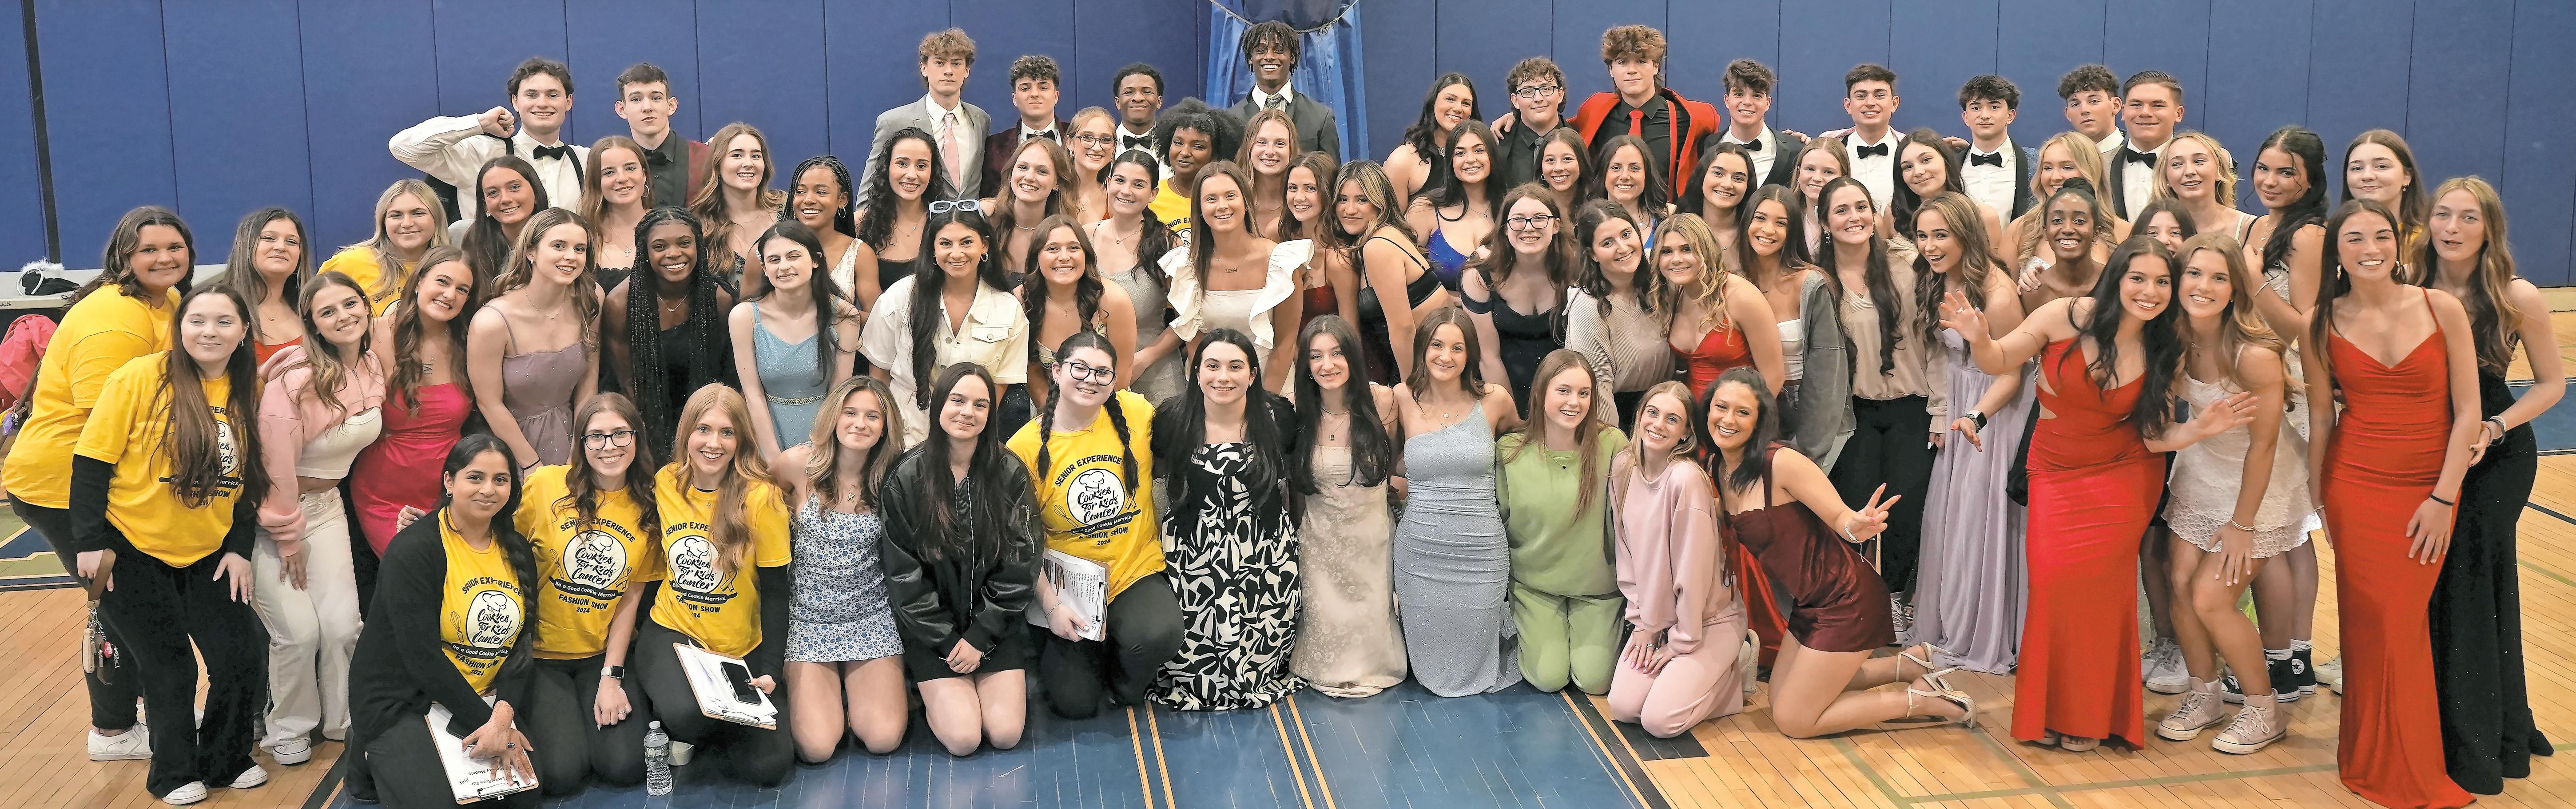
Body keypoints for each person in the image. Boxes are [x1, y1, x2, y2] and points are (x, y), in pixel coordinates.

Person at [1942, 236, 2237, 753]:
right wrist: (1979, 337)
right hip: (2054, 471)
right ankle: (2050, 710)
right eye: (2138, 279)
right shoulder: (2064, 315)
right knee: (2052, 584)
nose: (2149, 292)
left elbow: (2154, 437)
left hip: (2124, 475)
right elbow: (1998, 360)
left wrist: (2198, 430)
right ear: (2117, 277)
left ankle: (2092, 716)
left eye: (2162, 282)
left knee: (2101, 594)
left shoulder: (2165, 344)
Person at [2305, 199, 2479, 809]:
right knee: (2368, 621)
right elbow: (2322, 416)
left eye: (2381, 235)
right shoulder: (2318, 321)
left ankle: (2402, 764)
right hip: (2354, 485)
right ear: (2337, 252)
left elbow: (2468, 412)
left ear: (2399, 243)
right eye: (2354, 238)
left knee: (2398, 622)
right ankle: (2367, 757)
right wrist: (2317, 495)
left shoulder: (2441, 307)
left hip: (2428, 485)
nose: (2370, 248)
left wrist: (2442, 496)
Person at [69, 285, 273, 805]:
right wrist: (89, 542)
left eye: (224, 322)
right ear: (179, 328)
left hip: (208, 552)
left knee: (240, 653)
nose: (209, 331)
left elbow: (250, 480)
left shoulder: (247, 388)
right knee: (170, 666)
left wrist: (239, 548)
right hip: (130, 549)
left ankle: (226, 758)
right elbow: (91, 462)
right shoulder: (139, 377)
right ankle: (173, 774)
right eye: (196, 320)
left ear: (244, 332)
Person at [2, 207, 191, 763]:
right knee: (122, 607)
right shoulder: (114, 319)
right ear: (123, 257)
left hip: (110, 481)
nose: (164, 258)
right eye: (149, 249)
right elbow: (106, 428)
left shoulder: (165, 299)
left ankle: (153, 712)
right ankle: (113, 731)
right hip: (66, 485)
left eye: (174, 247)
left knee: (128, 604)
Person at [1696, 370, 1973, 738]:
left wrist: (1857, 525)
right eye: (1721, 407)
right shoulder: (1717, 468)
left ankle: (1924, 700)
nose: (1728, 419)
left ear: (1760, 420)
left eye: (1743, 412)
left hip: (1847, 601)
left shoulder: (1781, 462)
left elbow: (1841, 518)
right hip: (1811, 603)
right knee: (1780, 698)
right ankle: (1909, 665)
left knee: (1795, 720)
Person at [2417, 177, 2561, 793]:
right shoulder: (2410, 284)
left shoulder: (2515, 294)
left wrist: (2497, 425)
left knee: (2475, 579)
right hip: (2429, 444)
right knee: (2434, 580)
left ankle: (2482, 734)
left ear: (2489, 228)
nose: (2451, 228)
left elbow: (2551, 385)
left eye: (2467, 218)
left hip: (2495, 452)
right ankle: (2447, 718)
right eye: (2442, 215)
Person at [2146, 233, 2304, 756]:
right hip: (2202, 470)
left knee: (2211, 597)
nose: (2203, 286)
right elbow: (2160, 429)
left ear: (2236, 289)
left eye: (2219, 277)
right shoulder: (2172, 340)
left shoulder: (2253, 355)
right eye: (2194, 274)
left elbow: (2264, 447)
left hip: (2258, 486)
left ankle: (2264, 707)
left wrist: (2241, 525)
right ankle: (2205, 694)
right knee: (2179, 582)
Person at [345, 435, 537, 808]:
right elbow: (421, 659)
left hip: (482, 694)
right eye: (475, 477)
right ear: (449, 481)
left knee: (523, 798)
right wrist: (491, 725)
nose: (488, 489)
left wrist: (503, 715)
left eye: (500, 480)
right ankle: (366, 748)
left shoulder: (517, 550)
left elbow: (521, 646)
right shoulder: (414, 549)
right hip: (407, 697)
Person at [250, 271, 386, 769]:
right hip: (271, 519)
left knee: (343, 626)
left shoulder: (371, 364)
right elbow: (273, 467)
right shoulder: (296, 381)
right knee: (298, 632)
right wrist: (287, 537)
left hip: (328, 509)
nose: (343, 316)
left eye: (351, 304)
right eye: (328, 312)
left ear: (367, 307)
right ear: (313, 324)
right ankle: (288, 728)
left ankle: (342, 720)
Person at [629, 385, 797, 785]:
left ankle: (711, 726)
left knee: (769, 769)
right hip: (675, 633)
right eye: (703, 429)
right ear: (687, 433)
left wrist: (772, 669)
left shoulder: (763, 499)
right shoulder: (667, 482)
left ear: (741, 440)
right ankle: (682, 716)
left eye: (727, 433)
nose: (714, 443)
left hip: (741, 647)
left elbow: (777, 592)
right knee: (686, 715)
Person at [1010, 334, 1181, 718]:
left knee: (1158, 634)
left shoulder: (1136, 413)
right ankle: (1081, 652)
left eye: (1103, 373)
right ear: (1056, 371)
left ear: (1114, 379)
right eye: (1080, 369)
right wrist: (1052, 607)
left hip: (1133, 571)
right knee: (1076, 705)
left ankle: (1125, 681)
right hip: (1068, 586)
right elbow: (1020, 542)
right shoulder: (1024, 447)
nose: (1091, 379)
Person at [880, 364, 1038, 756]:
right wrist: (949, 641)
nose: (968, 412)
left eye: (980, 405)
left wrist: (981, 637)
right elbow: (904, 577)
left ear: (990, 414)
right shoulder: (906, 477)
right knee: (964, 739)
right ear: (939, 405)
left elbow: (1021, 564)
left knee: (1005, 734)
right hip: (933, 633)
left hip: (994, 628)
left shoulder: (1010, 472)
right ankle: (930, 693)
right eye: (958, 401)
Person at [1906, 193, 2032, 675]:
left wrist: (1975, 418)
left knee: (1983, 519)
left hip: (1994, 411)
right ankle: (1951, 622)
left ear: (1966, 236)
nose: (1930, 246)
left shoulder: (1997, 294)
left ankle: (1986, 631)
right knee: (1955, 518)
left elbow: (2012, 373)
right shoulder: (1936, 278)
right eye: (1923, 236)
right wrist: (1945, 413)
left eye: (1941, 235)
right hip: (1960, 401)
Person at [1149, 329, 1306, 709]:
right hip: (1193, 553)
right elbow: (1157, 475)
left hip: (1264, 553)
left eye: (1236, 367)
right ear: (1196, 372)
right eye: (1213, 366)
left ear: (1253, 375)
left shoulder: (1279, 417)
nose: (1224, 377)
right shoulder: (1172, 418)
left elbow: (1293, 478)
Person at [511, 394, 658, 794]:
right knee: (562, 776)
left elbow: (631, 599)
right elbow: (497, 546)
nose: (609, 446)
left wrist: (612, 677)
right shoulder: (546, 485)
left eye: (620, 434)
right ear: (581, 443)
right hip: (541, 656)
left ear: (637, 437)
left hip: (599, 654)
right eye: (596, 436)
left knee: (626, 766)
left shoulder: (647, 507)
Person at [1814, 176, 1941, 631]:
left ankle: (1894, 601)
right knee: (1855, 508)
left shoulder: (1908, 263)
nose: (1854, 217)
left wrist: (1942, 408)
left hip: (1913, 406)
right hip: (1855, 413)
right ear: (1825, 223)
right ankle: (1855, 604)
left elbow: (1937, 342)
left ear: (1874, 212)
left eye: (1861, 207)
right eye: (1841, 210)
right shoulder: (1816, 279)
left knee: (1905, 510)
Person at [1390, 308, 1523, 696]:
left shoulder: (1495, 400)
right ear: (1423, 349)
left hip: (1480, 552)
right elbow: (1384, 458)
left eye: (1457, 348)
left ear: (1470, 355)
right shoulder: (1401, 398)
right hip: (1421, 552)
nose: (1445, 356)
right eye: (1437, 345)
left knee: (1477, 648)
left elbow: (1527, 445)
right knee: (1429, 663)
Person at [1605, 380, 1749, 737]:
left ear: (1686, 433)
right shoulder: (1623, 467)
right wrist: (1645, 624)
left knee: (1660, 721)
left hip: (1706, 621)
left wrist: (1681, 641)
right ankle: (1689, 677)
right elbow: (1626, 554)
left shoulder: (1685, 480)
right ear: (1640, 416)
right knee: (1624, 707)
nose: (1658, 425)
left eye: (1672, 419)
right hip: (1658, 620)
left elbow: (1693, 574)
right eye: (1652, 413)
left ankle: (1733, 670)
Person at [778, 377, 910, 758]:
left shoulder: (893, 477)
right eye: (850, 413)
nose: (860, 423)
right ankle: (826, 700)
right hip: (808, 620)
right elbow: (760, 496)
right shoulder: (798, 464)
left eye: (873, 416)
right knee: (817, 748)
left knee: (883, 739)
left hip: (870, 616)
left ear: (885, 427)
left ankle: (857, 699)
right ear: (834, 417)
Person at [1285, 316, 1407, 697]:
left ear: (1353, 356)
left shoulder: (1383, 401)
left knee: (1373, 615)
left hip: (1371, 535)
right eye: (1316, 356)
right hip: (1320, 540)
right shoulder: (1296, 412)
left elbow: (1394, 463)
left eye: (1337, 353)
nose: (1327, 365)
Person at [1499, 351, 1627, 695]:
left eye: (1584, 393)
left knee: (1595, 681)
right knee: (1549, 678)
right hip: (1536, 587)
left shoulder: (1613, 444)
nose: (1575, 402)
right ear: (1541, 392)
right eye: (1564, 391)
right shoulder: (1510, 451)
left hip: (1598, 589)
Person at [861, 205, 1030, 447]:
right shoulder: (900, 297)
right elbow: (879, 375)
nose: (956, 253)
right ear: (932, 248)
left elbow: (997, 388)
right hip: (904, 435)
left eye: (967, 243)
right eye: (946, 244)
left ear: (985, 246)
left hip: (969, 438)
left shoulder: (1008, 308)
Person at [351, 248, 478, 560]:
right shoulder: (374, 333)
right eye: (443, 282)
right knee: (412, 571)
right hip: (384, 494)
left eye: (462, 289)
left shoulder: (468, 342)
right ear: (419, 281)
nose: (450, 295)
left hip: (450, 494)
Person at [466, 208, 600, 469]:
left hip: (575, 438)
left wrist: (579, 449)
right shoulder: (491, 322)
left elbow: (589, 382)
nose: (571, 257)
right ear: (531, 252)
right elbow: (489, 404)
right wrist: (532, 466)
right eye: (559, 246)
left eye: (580, 249)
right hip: (513, 448)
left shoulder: (589, 302)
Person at [1733, 186, 1851, 469]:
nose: (1768, 230)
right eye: (1760, 218)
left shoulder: (1811, 284)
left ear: (1792, 231)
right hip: (1753, 411)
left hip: (1811, 412)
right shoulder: (1733, 284)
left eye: (1781, 223)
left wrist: (1806, 449)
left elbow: (1828, 370)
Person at [605, 207, 736, 461]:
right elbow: (627, 384)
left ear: (698, 247)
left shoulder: (719, 299)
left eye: (685, 243)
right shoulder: (621, 303)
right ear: (645, 252)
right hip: (645, 420)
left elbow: (724, 374)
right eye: (660, 247)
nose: (674, 253)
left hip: (704, 420)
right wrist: (649, 439)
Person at [390, 56, 588, 219]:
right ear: (516, 102)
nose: (543, 103)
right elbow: (402, 147)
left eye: (553, 95)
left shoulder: (586, 160)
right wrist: (480, 122)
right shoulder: (481, 153)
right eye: (532, 95)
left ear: (568, 102)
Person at [732, 222, 862, 462]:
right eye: (774, 260)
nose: (784, 266)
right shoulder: (744, 317)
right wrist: (775, 460)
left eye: (793, 256)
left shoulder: (845, 316)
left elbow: (838, 394)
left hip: (824, 438)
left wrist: (820, 451)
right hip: (764, 435)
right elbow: (752, 394)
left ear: (816, 260)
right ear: (765, 269)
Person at [1165, 161, 1301, 389]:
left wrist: (1267, 401)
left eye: (1230, 196)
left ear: (1246, 202)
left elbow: (1286, 343)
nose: (1222, 206)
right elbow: (1194, 343)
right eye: (1211, 199)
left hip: (1271, 387)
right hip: (1211, 389)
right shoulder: (1186, 268)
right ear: (1200, 210)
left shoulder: (1281, 262)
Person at [1564, 25, 1720, 189]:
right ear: (1611, 70)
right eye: (1623, 62)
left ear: (1656, 67)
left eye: (1641, 61)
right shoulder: (1593, 110)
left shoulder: (1692, 118)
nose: (1632, 70)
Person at [1336, 160, 1448, 384]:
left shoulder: (1378, 246)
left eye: (1362, 200)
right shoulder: (1387, 234)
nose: (1350, 210)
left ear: (1381, 203)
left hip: (1427, 369)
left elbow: (1404, 329)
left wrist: (1411, 391)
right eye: (1343, 199)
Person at [1462, 184, 1571, 412]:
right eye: (1518, 220)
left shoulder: (1576, 271)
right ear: (1505, 229)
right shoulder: (1480, 274)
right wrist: (1512, 421)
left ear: (1557, 225)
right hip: (1500, 387)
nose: (1529, 228)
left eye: (1539, 218)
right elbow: (1488, 357)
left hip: (1566, 391)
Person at [1091, 151, 1188, 403]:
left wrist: (1143, 360)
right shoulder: (1083, 238)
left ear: (1153, 194)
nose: (1126, 191)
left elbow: (1189, 318)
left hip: (1153, 373)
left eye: (1138, 184)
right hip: (1090, 374)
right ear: (1108, 182)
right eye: (1120, 181)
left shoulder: (1168, 245)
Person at [1019, 216, 1139, 416]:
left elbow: (1122, 375)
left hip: (1107, 408)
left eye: (1073, 248)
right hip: (1048, 409)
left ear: (1086, 255)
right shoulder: (1022, 301)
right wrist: (1055, 417)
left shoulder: (1113, 300)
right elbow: (1031, 370)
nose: (1064, 257)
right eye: (1052, 249)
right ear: (1036, 257)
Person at [1566, 202, 1668, 427]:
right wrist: (1616, 444)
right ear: (1593, 254)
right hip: (1620, 417)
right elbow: (1597, 393)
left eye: (1626, 234)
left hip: (1671, 403)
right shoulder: (1588, 307)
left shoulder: (1660, 271)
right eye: (1608, 243)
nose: (1623, 248)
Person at [1662, 212, 1783, 401]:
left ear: (1706, 250)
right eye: (1667, 251)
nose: (1676, 259)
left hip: (1741, 413)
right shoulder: (1674, 295)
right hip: (1694, 414)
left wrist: (1749, 417)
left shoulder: (1741, 296)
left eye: (1687, 249)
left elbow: (1774, 378)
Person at [864, 29, 988, 201]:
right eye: (940, 63)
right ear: (924, 68)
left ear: (967, 70)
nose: (949, 71)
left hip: (969, 217)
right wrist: (863, 216)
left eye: (956, 64)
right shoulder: (893, 122)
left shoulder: (981, 120)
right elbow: (871, 184)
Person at [320, 179, 450, 316]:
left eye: (418, 213)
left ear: (437, 218)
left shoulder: (453, 267)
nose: (407, 223)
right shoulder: (350, 263)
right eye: (396, 215)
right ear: (383, 222)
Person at [853, 127, 950, 308]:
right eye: (902, 164)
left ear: (933, 172)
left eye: (922, 166)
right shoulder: (860, 224)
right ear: (887, 167)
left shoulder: (946, 223)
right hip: (879, 323)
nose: (912, 175)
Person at [2000, 132, 2120, 276]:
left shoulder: (2122, 230)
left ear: (2092, 171)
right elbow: (2004, 285)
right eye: (2048, 168)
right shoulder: (2021, 228)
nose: (2055, 177)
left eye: (2067, 168)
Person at [1407, 121, 1502, 292]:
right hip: (1441, 308)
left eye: (1479, 151)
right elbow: (1405, 278)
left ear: (1492, 157)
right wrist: (1449, 300)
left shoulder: (1512, 210)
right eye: (1460, 153)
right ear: (1451, 161)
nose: (1470, 160)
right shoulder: (1424, 209)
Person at [690, 122, 789, 282]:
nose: (748, 163)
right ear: (717, 164)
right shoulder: (699, 227)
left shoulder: (788, 209)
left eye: (756, 156)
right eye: (737, 155)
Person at [1229, 20, 1340, 157]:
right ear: (1250, 58)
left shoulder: (1321, 119)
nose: (1269, 57)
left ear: (1292, 57)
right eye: (1261, 51)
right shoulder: (1231, 120)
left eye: (1279, 51)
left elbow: (1331, 170)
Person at [612, 63, 708, 218]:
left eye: (656, 98)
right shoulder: (612, 166)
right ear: (622, 110)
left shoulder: (706, 157)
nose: (647, 107)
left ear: (671, 106)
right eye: (636, 99)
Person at [1891, 129, 2005, 253]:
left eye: (1926, 160)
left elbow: (1993, 264)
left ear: (1946, 160)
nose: (1918, 172)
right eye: (1908, 167)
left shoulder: (1984, 216)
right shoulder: (1894, 215)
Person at [1282, 151, 1357, 339]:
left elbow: (1351, 335)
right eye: (1293, 188)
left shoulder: (1339, 260)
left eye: (1310, 189)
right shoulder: (1279, 236)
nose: (1299, 198)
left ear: (1328, 192)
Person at [221, 208, 312, 363]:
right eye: (269, 238)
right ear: (246, 245)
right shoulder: (220, 306)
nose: (281, 247)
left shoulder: (311, 308)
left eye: (291, 242)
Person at [1383, 74, 1480, 206]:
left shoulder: (1481, 157)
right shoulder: (1403, 159)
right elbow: (1392, 218)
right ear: (1433, 102)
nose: (1458, 108)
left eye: (1466, 103)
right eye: (1450, 99)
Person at [980, 55, 1069, 198]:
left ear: (1056, 96)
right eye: (1026, 88)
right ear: (1015, 99)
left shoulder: (1078, 138)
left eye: (1043, 87)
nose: (1035, 94)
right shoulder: (994, 147)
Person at [983, 137, 1076, 271]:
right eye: (1023, 168)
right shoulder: (986, 216)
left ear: (1057, 183)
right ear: (1011, 174)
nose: (1029, 177)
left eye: (1042, 171)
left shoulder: (1067, 233)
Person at [1150, 99, 1241, 231]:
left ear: (1216, 154)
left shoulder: (1228, 200)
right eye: (1178, 143)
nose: (1185, 153)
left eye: (1198, 146)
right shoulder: (1152, 197)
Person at [783, 155, 867, 296]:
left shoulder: (860, 253)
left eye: (821, 192)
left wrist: (838, 306)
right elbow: (749, 305)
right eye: (801, 192)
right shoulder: (768, 249)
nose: (808, 200)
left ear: (843, 200)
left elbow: (876, 310)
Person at [456, 156, 549, 281]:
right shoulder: (462, 235)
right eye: (493, 193)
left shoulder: (560, 239)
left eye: (515, 187)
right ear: (485, 206)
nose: (505, 199)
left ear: (536, 193)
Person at [1957, 75, 2035, 220]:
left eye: (1994, 107)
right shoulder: (1951, 165)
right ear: (1966, 118)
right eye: (1976, 108)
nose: (1985, 115)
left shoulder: (2036, 163)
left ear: (2010, 115)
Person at [582, 137, 653, 297]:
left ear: (644, 174)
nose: (622, 178)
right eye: (609, 172)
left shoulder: (669, 226)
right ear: (596, 182)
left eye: (630, 168)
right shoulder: (583, 235)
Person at [2107, 71, 2185, 218]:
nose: (2145, 112)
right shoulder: (2099, 165)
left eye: (2158, 106)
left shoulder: (2199, 168)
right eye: (2136, 105)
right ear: (2124, 112)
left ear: (2179, 114)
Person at [1717, 59, 1805, 188]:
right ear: (1727, 100)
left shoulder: (1796, 149)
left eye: (1757, 96)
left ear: (1768, 103)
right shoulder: (1705, 146)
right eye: (1739, 94)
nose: (1747, 102)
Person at [2341, 129, 2428, 257]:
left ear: (2407, 176)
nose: (2367, 176)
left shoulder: (2427, 241)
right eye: (2357, 168)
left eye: (2382, 167)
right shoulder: (2332, 237)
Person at [1831, 64, 1904, 212]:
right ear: (1848, 105)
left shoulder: (1911, 150)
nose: (1870, 103)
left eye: (1880, 95)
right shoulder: (1829, 146)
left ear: (1894, 104)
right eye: (1861, 96)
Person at [1495, 57, 1568, 189]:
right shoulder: (1498, 145)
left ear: (1560, 95)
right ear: (1515, 101)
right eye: (1528, 91)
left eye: (1546, 89)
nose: (1538, 98)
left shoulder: (1583, 141)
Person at [1595, 135, 1668, 244]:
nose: (1625, 176)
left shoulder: (1668, 217)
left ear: (1647, 174)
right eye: (1616, 168)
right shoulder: (1586, 222)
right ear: (1603, 173)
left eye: (1634, 168)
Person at [1676, 141, 1756, 241]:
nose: (1727, 185)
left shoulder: (1755, 237)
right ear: (1702, 176)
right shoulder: (1675, 229)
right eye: (1718, 174)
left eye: (1738, 178)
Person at [1239, 110, 1300, 239]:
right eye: (1261, 142)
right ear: (1249, 147)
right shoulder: (1234, 199)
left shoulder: (1304, 200)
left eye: (1280, 144)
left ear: (1292, 149)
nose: (1270, 151)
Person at [1789, 137, 1849, 260]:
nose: (1817, 178)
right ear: (1799, 173)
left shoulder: (1856, 221)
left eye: (1828, 172)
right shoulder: (1785, 217)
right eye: (1810, 169)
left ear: (1844, 177)